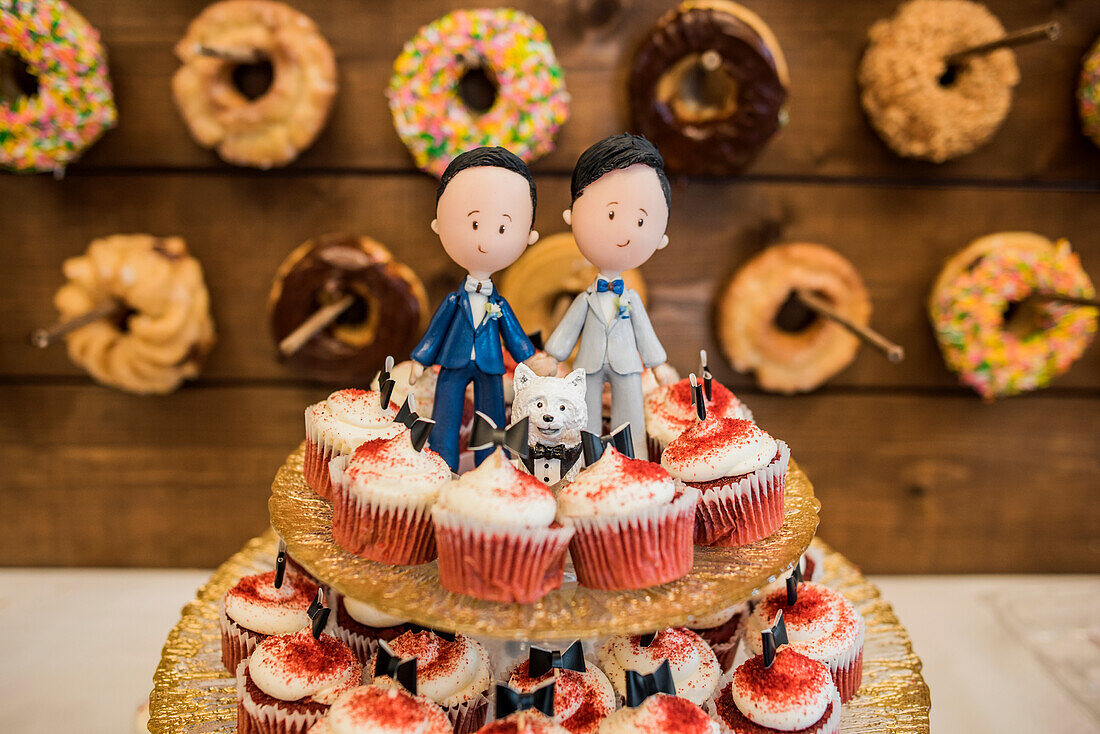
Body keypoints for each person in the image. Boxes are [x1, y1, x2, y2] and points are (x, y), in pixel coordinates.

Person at [409, 147, 553, 471]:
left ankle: (489, 468)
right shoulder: (454, 301)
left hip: (490, 365)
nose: (485, 240)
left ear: (528, 236)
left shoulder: (499, 303)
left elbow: (513, 333)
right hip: (452, 362)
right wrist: (420, 359)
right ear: (438, 224)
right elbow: (436, 331)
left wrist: (529, 358)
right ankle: (441, 467)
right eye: (473, 224)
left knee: (490, 420)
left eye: (503, 228)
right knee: (444, 417)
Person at [544, 134, 670, 459]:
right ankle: (581, 460)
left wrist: (658, 365)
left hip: (628, 365)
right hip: (587, 364)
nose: (625, 233)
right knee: (582, 416)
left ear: (660, 238)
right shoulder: (585, 298)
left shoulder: (632, 299)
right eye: (611, 215)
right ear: (572, 216)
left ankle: (634, 460)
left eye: (641, 221)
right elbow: (569, 328)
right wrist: (553, 356)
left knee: (630, 417)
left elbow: (645, 333)